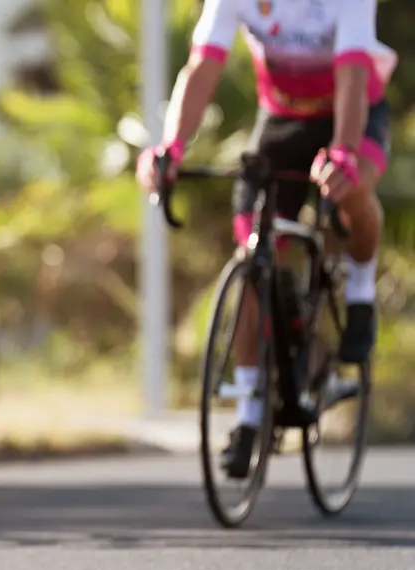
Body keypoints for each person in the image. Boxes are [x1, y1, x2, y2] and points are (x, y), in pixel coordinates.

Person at [136, 0, 396, 478]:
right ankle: (250, 413)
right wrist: (170, 146)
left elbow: (354, 74)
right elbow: (203, 64)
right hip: (281, 119)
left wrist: (342, 152)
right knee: (253, 256)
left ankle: (360, 288)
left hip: (351, 110)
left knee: (353, 187)